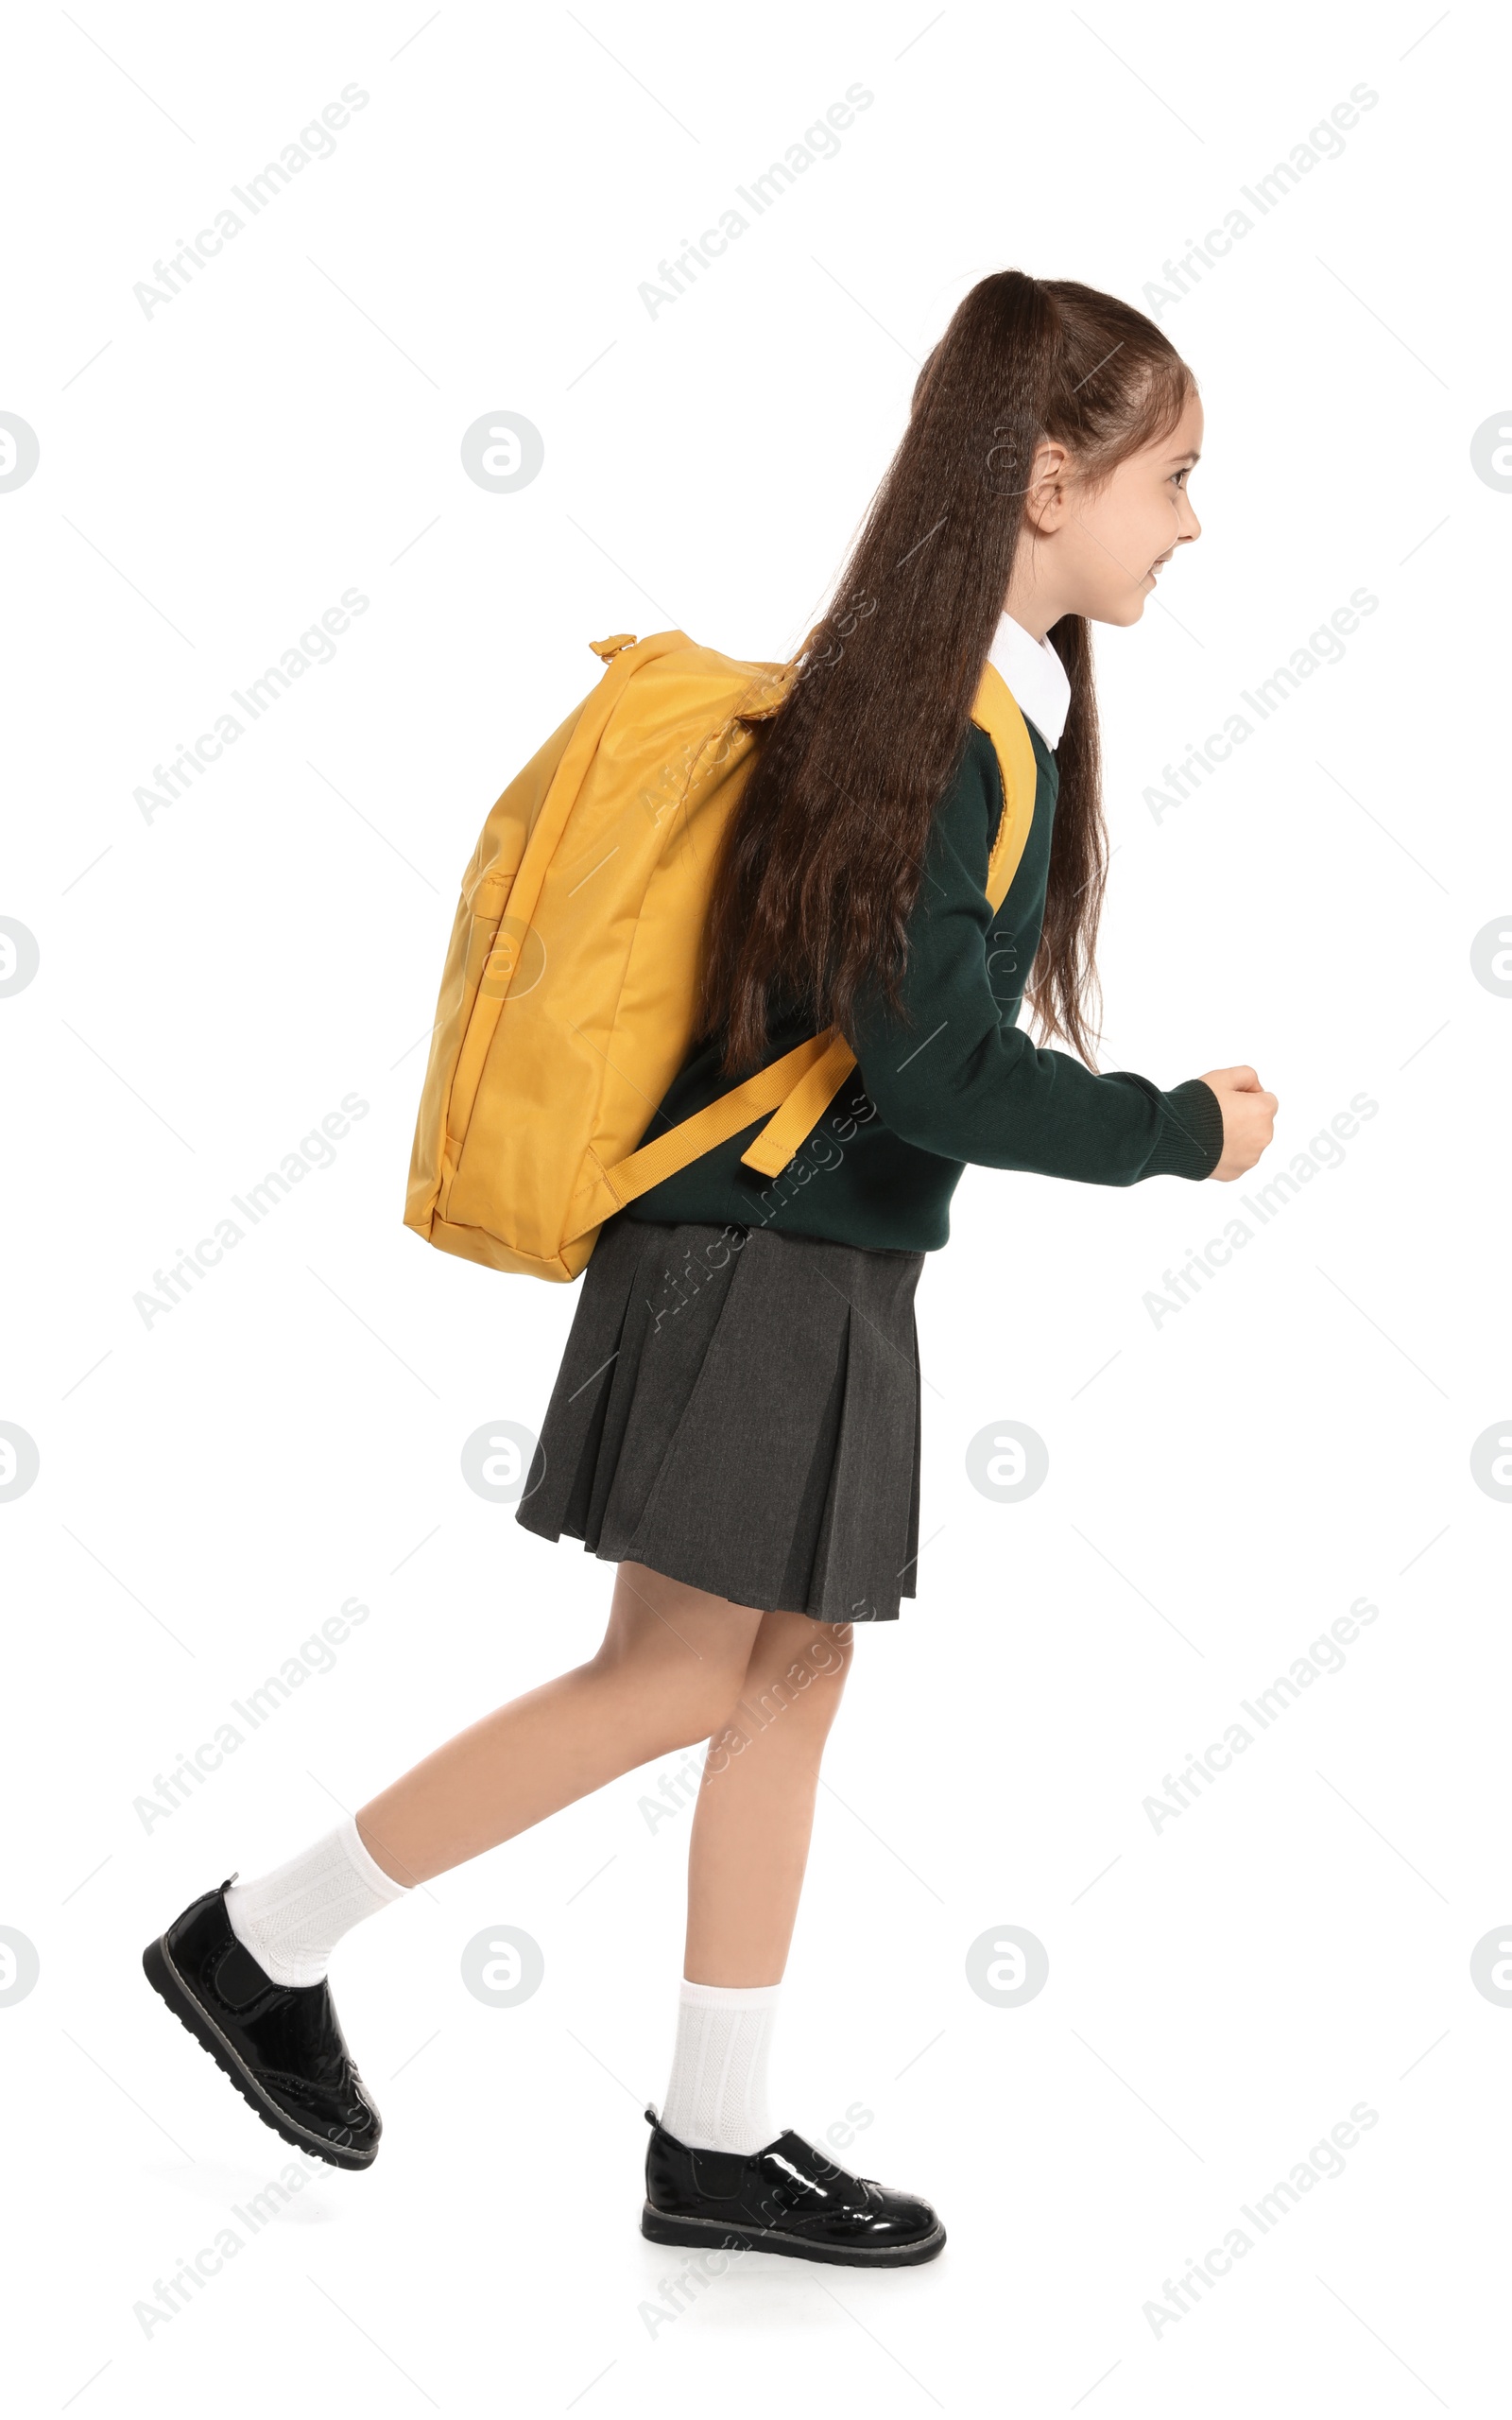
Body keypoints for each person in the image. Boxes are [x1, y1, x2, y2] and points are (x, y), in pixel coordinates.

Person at [144, 269, 1276, 2268]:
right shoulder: (948, 725)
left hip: (790, 1259)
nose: (1187, 519)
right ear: (1043, 480)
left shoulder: (961, 698)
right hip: (755, 1261)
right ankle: (260, 1939)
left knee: (781, 1676)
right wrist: (1172, 1126)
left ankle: (713, 2135)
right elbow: (920, 1053)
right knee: (679, 1676)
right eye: (1168, 476)